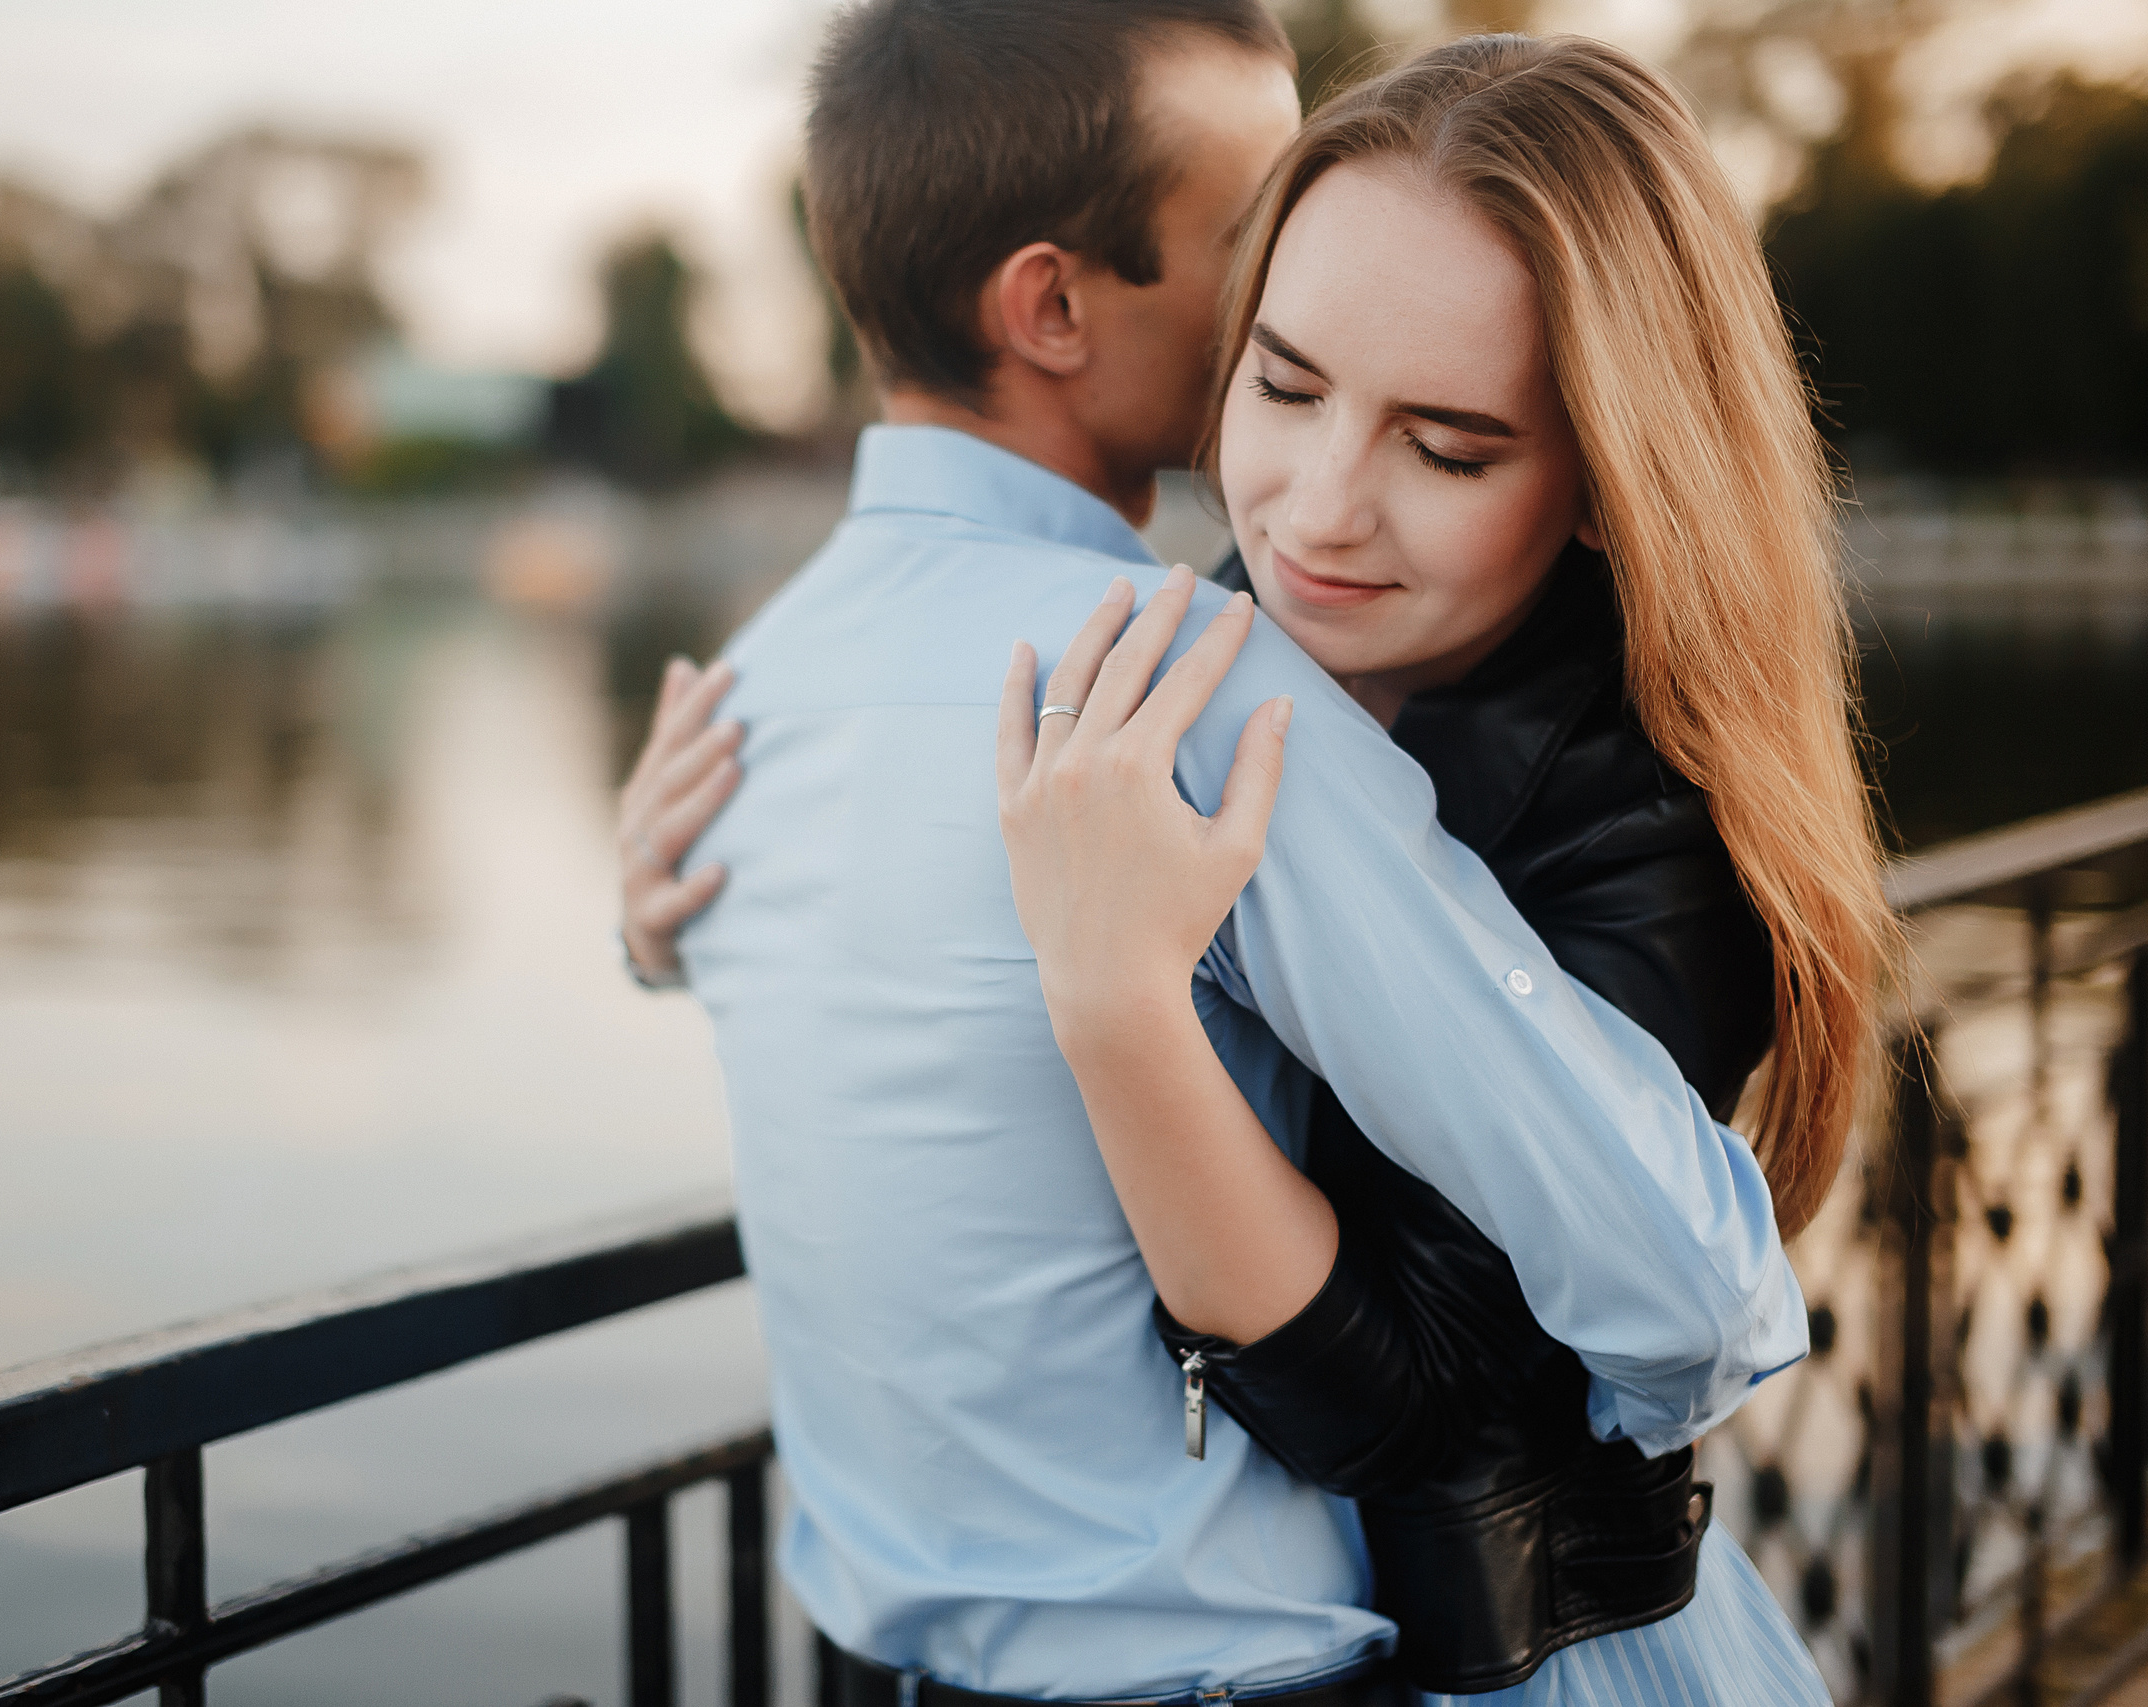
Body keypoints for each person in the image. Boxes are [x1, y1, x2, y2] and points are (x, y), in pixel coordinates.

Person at [620, 7, 1813, 1703]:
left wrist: (649, 940)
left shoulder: (752, 686)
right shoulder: (1189, 677)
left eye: (1448, 443)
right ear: (1051, 303)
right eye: (1256, 239)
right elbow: (1692, 1287)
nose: (1323, 504)